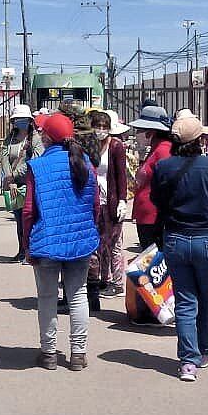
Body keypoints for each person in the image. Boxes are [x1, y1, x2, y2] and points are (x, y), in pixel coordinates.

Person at [151, 112, 208, 381]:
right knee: (207, 299)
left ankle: (187, 361)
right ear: (200, 139)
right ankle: (205, 349)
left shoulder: (164, 167)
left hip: (177, 238)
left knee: (185, 301)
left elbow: (157, 201)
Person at [22, 112, 100, 371]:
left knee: (46, 297)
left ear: (47, 137)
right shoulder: (86, 163)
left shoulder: (38, 166)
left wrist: (26, 245)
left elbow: (29, 211)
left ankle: (48, 354)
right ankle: (78, 354)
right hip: (80, 240)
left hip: (47, 240)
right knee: (78, 296)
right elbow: (95, 204)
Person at [85, 109, 129, 305]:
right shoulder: (89, 145)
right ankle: (103, 279)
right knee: (97, 244)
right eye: (97, 126)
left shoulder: (116, 146)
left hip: (111, 200)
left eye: (104, 127)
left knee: (114, 243)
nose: (101, 130)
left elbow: (121, 175)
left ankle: (118, 283)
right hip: (94, 201)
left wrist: (122, 200)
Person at [0, 104, 43, 262]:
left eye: (23, 119)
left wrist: (13, 174)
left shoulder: (36, 139)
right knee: (19, 220)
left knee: (30, 218)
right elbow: (4, 158)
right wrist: (9, 178)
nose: (20, 122)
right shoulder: (10, 139)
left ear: (30, 120)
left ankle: (31, 250)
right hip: (14, 185)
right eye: (17, 120)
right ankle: (21, 250)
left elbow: (34, 160)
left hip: (31, 183)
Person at [130, 105, 173, 249]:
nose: (137, 133)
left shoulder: (163, 150)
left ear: (151, 132)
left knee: (152, 262)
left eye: (140, 130)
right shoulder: (155, 149)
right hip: (147, 215)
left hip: (154, 217)